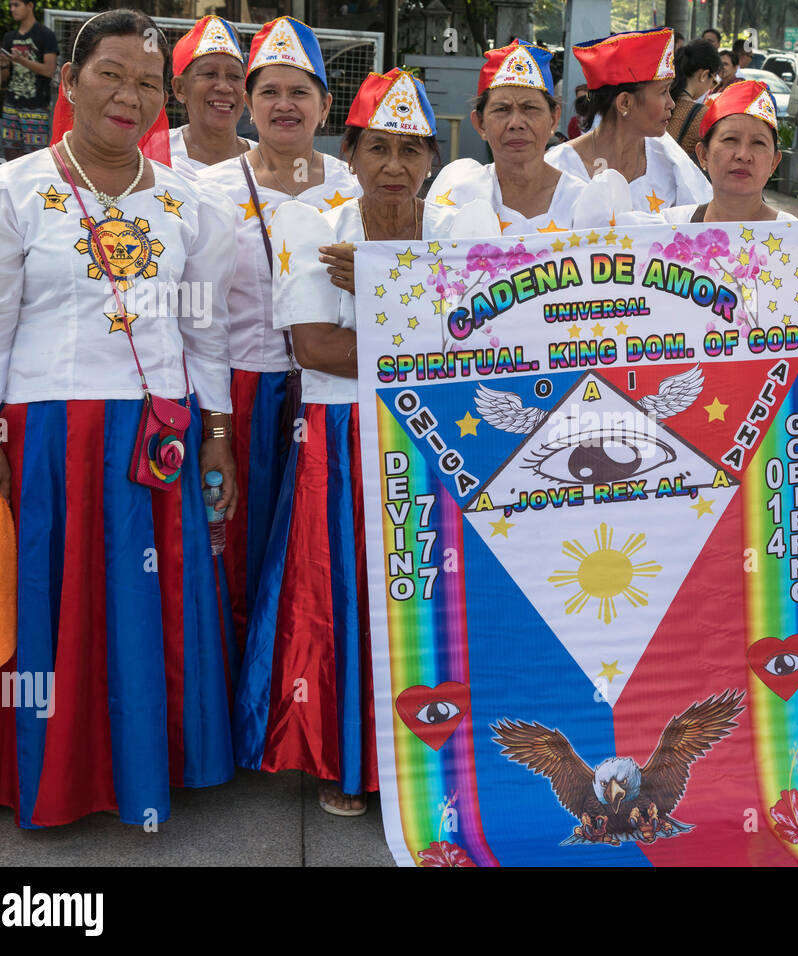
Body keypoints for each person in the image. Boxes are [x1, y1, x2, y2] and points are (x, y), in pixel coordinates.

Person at [0, 7, 237, 827]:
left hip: (155, 444)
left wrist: (215, 433)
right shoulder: (13, 189)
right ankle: (35, 771)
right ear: (69, 83)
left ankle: (142, 767)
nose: (129, 93)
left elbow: (201, 332)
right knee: (44, 595)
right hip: (48, 438)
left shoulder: (191, 208)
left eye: (148, 81)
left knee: (139, 611)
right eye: (110, 73)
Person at [236, 68, 439, 817]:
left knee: (430, 601)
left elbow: (498, 345)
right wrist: (425, 314)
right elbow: (317, 348)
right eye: (378, 148)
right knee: (348, 598)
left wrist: (384, 290)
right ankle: (344, 755)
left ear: (432, 159)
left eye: (411, 151)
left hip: (437, 435)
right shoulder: (311, 226)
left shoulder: (460, 234)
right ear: (349, 154)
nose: (394, 166)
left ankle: (433, 756)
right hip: (344, 432)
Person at [197, 16, 361, 646]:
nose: (284, 106)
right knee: (232, 555)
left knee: (315, 562)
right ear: (248, 103)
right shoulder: (204, 192)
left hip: (330, 401)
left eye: (300, 93)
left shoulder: (359, 187)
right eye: (269, 92)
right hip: (239, 396)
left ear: (324, 104)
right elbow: (194, 318)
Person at [425, 40, 625, 238]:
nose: (516, 123)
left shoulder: (582, 203)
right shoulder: (458, 197)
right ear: (480, 124)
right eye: (501, 109)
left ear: (554, 119)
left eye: (530, 108)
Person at [546, 27, 711, 215]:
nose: (671, 104)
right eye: (662, 92)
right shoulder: (560, 167)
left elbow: (701, 226)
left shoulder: (669, 158)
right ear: (625, 102)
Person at [664, 79, 794, 224]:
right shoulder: (670, 227)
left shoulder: (796, 236)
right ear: (703, 155)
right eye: (730, 139)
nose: (743, 156)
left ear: (774, 162)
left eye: (758, 142)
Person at [168, 15, 253, 174]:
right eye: (209, 74)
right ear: (180, 88)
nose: (224, 87)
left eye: (234, 76)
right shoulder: (150, 155)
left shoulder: (267, 164)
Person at [0, 0, 57, 160]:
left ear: (30, 5)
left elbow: (49, 70)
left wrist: (22, 61)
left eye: (16, 5)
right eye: (10, 5)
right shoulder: (10, 37)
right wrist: (3, 65)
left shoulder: (46, 35)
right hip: (11, 104)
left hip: (36, 106)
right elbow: (4, 79)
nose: (12, 9)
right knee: (10, 155)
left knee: (35, 159)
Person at [667, 39, 719, 162]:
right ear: (704, 75)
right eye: (713, 82)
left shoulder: (661, 102)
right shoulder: (703, 115)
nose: (711, 87)